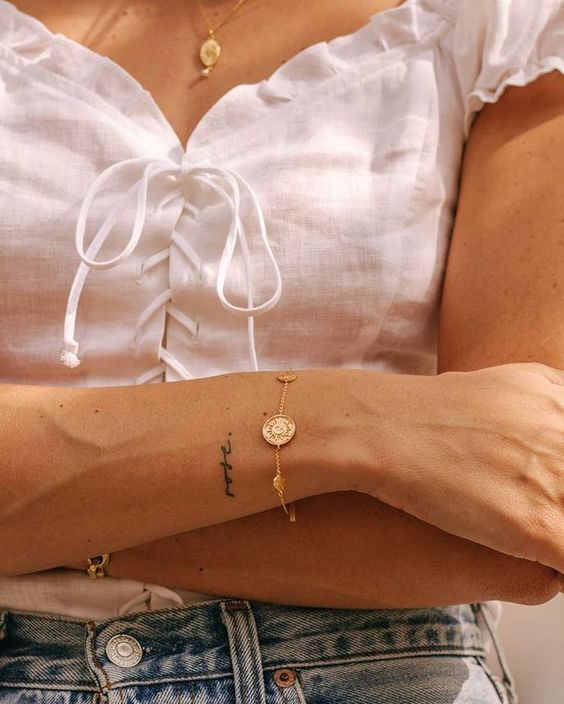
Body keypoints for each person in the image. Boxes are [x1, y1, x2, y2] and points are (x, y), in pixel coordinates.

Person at [0, 0, 563, 701]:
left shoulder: (509, 25)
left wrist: (40, 507)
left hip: (373, 668)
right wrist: (355, 424)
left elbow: (520, 520)